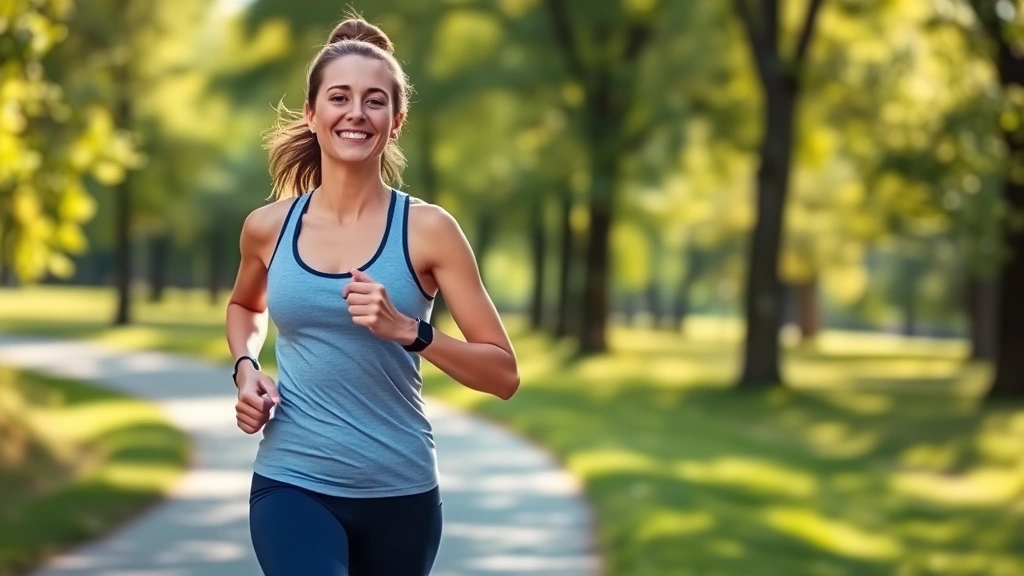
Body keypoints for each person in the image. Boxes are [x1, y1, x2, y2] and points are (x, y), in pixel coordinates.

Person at [224, 16, 520, 576]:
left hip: (401, 494)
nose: (356, 112)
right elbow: (244, 305)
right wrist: (246, 368)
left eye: (374, 100)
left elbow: (503, 375)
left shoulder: (429, 231)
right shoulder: (267, 227)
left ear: (396, 121)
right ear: (312, 114)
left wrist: (411, 331)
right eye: (339, 97)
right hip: (292, 481)